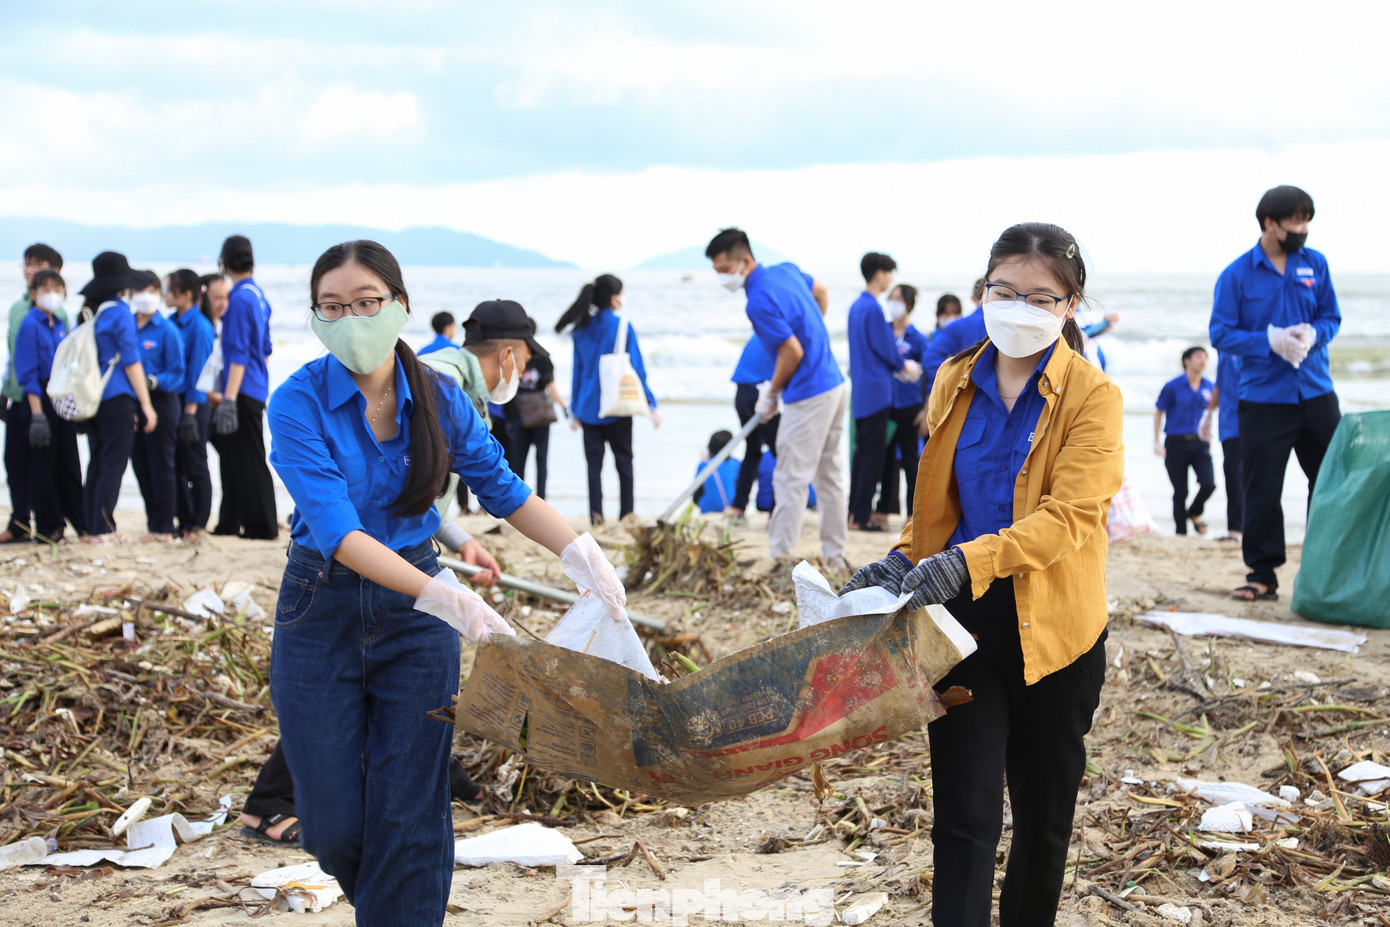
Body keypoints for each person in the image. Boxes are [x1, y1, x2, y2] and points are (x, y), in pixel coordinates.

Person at [266, 239, 631, 926]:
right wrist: (445, 595)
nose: (350, 320)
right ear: (314, 317)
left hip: (417, 629)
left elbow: (503, 487)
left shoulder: (439, 396)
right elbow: (340, 533)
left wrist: (581, 552)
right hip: (321, 608)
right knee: (332, 824)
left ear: (400, 305)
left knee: (410, 808)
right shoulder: (296, 403)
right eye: (331, 307)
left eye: (366, 303)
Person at [839, 222, 1122, 927]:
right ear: (982, 292)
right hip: (962, 632)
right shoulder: (953, 380)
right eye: (1004, 290)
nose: (1019, 307)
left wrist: (966, 561)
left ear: (1070, 305)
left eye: (1040, 296)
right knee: (964, 821)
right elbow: (936, 511)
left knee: (1043, 824)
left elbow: (1069, 518)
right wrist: (901, 560)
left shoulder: (1094, 396)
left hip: (1058, 634)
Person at [1209, 185, 1340, 602]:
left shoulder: (1315, 263)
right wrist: (1269, 340)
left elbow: (1331, 317)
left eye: (1307, 221)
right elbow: (1220, 333)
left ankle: (1326, 570)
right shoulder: (1236, 274)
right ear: (1270, 223)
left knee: (1331, 482)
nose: (1303, 229)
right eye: (1296, 221)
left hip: (1316, 392)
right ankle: (1262, 575)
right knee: (1262, 487)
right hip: (1263, 399)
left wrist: (1314, 334)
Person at [707, 228, 847, 564]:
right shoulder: (786, 270)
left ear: (744, 261)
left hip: (808, 394)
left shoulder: (757, 301)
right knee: (829, 475)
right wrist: (814, 333)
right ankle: (835, 555)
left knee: (789, 478)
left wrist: (770, 392)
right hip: (836, 383)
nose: (722, 278)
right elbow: (822, 292)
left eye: (725, 269)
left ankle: (781, 558)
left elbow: (791, 352)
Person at [555, 275, 661, 526]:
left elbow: (578, 373)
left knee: (594, 467)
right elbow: (637, 369)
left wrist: (574, 411)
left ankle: (597, 519)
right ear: (615, 299)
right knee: (624, 463)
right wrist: (651, 404)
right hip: (617, 407)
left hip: (589, 409)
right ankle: (626, 517)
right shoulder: (623, 326)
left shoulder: (580, 329)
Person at [76, 252, 161, 540]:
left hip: (94, 396)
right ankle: (104, 529)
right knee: (114, 464)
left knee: (98, 462)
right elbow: (131, 361)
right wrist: (146, 405)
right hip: (117, 397)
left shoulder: (93, 312)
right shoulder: (120, 313)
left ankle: (92, 527)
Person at [210, 235, 278, 540]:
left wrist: (228, 399)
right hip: (255, 384)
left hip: (241, 388)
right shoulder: (258, 295)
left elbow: (238, 354)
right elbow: (265, 348)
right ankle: (230, 522)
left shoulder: (238, 299)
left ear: (223, 263)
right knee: (237, 457)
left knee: (248, 458)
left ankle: (261, 526)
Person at [13, 269, 85, 542]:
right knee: (42, 465)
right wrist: (37, 415)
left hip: (60, 395)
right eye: (45, 289)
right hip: (39, 399)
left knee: (69, 462)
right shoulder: (30, 324)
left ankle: (80, 522)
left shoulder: (60, 323)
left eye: (57, 289)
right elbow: (28, 373)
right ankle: (48, 526)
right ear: (34, 294)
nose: (52, 295)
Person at [847, 252, 916, 532]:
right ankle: (862, 517)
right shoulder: (873, 309)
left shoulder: (856, 306)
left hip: (861, 391)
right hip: (876, 391)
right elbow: (886, 349)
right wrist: (905, 367)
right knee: (873, 456)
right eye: (889, 274)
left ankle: (854, 512)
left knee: (861, 454)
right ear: (879, 274)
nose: (890, 280)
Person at [3, 243, 67, 543]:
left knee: (45, 463)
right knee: (14, 462)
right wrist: (5, 389)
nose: (30, 270)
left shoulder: (58, 314)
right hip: (17, 394)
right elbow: (14, 354)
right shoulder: (18, 308)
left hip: (42, 398)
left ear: (55, 271)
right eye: (27, 263)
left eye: (38, 264)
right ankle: (19, 522)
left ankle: (49, 523)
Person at [129, 271, 185, 541]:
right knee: (140, 464)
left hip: (161, 401)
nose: (147, 296)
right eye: (142, 290)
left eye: (153, 291)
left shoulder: (167, 330)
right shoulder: (127, 326)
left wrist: (153, 381)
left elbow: (177, 372)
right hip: (132, 403)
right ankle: (153, 522)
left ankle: (165, 526)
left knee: (161, 464)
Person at [165, 270, 217, 538]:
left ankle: (198, 523)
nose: (164, 294)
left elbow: (200, 373)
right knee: (176, 464)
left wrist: (190, 413)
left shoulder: (200, 327)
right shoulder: (170, 321)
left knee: (196, 464)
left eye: (169, 290)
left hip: (193, 405)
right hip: (174, 402)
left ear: (187, 294)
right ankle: (183, 521)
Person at [874, 283, 931, 525]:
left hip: (910, 406)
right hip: (884, 405)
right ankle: (883, 510)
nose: (894, 303)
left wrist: (926, 409)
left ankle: (912, 514)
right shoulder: (883, 332)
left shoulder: (917, 338)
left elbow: (930, 375)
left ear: (908, 304)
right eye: (892, 298)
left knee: (910, 461)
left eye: (899, 299)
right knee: (885, 460)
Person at [1153, 347, 1216, 535]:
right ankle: (1181, 533)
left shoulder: (1209, 386)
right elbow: (1159, 411)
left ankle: (1195, 511)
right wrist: (1156, 441)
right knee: (1181, 492)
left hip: (1200, 443)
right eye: (1198, 357)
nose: (1203, 361)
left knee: (1209, 484)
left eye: (1205, 358)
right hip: (1175, 443)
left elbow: (1211, 413)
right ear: (1187, 361)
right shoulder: (1172, 386)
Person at [503, 317, 565, 498]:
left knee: (518, 459)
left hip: (520, 414)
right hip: (539, 415)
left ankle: (518, 498)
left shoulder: (513, 356)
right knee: (541, 459)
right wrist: (564, 406)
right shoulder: (543, 356)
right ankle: (541, 499)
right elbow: (549, 385)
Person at [726, 334, 778, 526]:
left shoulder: (760, 331)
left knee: (752, 450)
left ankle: (738, 507)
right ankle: (775, 514)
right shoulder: (782, 332)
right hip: (762, 392)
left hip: (742, 394)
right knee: (782, 454)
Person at [1200, 352, 1244, 541]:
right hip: (1229, 424)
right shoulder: (1224, 348)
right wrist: (1209, 413)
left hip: (1252, 420)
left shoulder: (1247, 341)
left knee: (1251, 475)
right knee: (1233, 473)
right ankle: (1236, 530)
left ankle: (1245, 529)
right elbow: (1220, 383)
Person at [921, 276, 988, 394]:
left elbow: (930, 358)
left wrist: (959, 377)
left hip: (964, 391)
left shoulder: (958, 326)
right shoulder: (1011, 326)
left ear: (975, 297)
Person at [692, 430, 741, 514]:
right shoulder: (737, 464)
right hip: (732, 509)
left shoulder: (704, 465)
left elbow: (695, 497)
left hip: (708, 510)